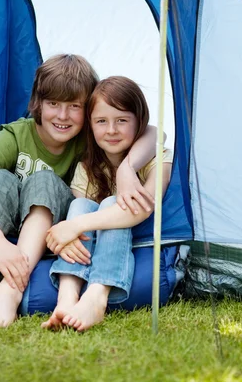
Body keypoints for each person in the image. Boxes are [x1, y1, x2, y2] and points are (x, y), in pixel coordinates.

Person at [0, 55, 159, 329]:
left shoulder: (89, 139)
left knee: (44, 180)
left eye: (74, 106)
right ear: (38, 103)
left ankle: (11, 290)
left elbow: (155, 133)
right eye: (53, 104)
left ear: (86, 111)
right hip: (8, 226)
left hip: (56, 222)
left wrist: (126, 168)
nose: (62, 116)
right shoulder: (17, 135)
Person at [41, 76, 173, 332]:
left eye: (122, 120)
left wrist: (75, 225)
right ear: (90, 126)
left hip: (137, 236)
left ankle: (97, 296)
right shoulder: (86, 168)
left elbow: (142, 208)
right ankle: (67, 297)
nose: (111, 130)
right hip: (92, 246)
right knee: (79, 206)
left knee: (114, 202)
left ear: (140, 122)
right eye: (101, 121)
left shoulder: (159, 159)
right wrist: (72, 229)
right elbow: (80, 216)